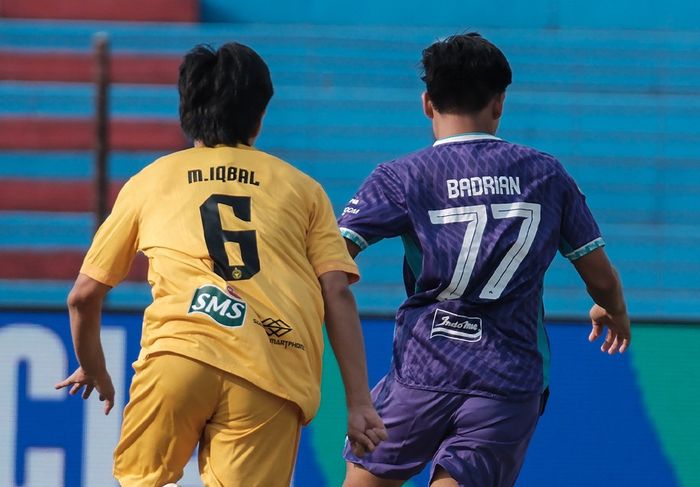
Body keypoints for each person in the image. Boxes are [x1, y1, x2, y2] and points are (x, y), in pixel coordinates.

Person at [55, 42, 386, 486]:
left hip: (178, 356)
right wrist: (359, 402)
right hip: (270, 368)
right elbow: (337, 292)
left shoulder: (149, 181)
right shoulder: (303, 190)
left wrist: (93, 364)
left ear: (185, 109)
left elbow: (82, 297)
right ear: (260, 114)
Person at [338, 33, 630, 487]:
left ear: (427, 103)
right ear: (499, 103)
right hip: (508, 378)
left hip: (422, 370)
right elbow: (599, 275)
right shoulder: (546, 174)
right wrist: (614, 308)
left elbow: (334, 259)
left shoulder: (401, 176)